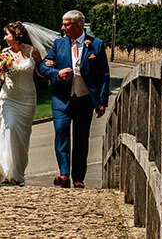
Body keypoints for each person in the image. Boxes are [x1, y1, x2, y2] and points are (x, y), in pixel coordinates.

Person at [38, 10, 110, 189]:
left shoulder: (97, 45)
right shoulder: (58, 44)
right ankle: (64, 174)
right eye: (63, 24)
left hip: (85, 99)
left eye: (66, 24)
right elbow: (43, 67)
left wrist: (101, 102)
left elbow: (104, 75)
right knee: (61, 133)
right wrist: (57, 73)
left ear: (78, 26)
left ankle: (78, 178)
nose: (62, 27)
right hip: (62, 99)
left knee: (81, 138)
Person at [0, 21, 42, 185]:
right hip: (9, 97)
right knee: (9, 128)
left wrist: (50, 68)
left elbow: (40, 71)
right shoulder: (3, 53)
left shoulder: (33, 51)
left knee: (22, 138)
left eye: (7, 34)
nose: (4, 38)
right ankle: (6, 173)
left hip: (27, 99)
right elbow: (1, 75)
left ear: (16, 36)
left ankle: (18, 174)